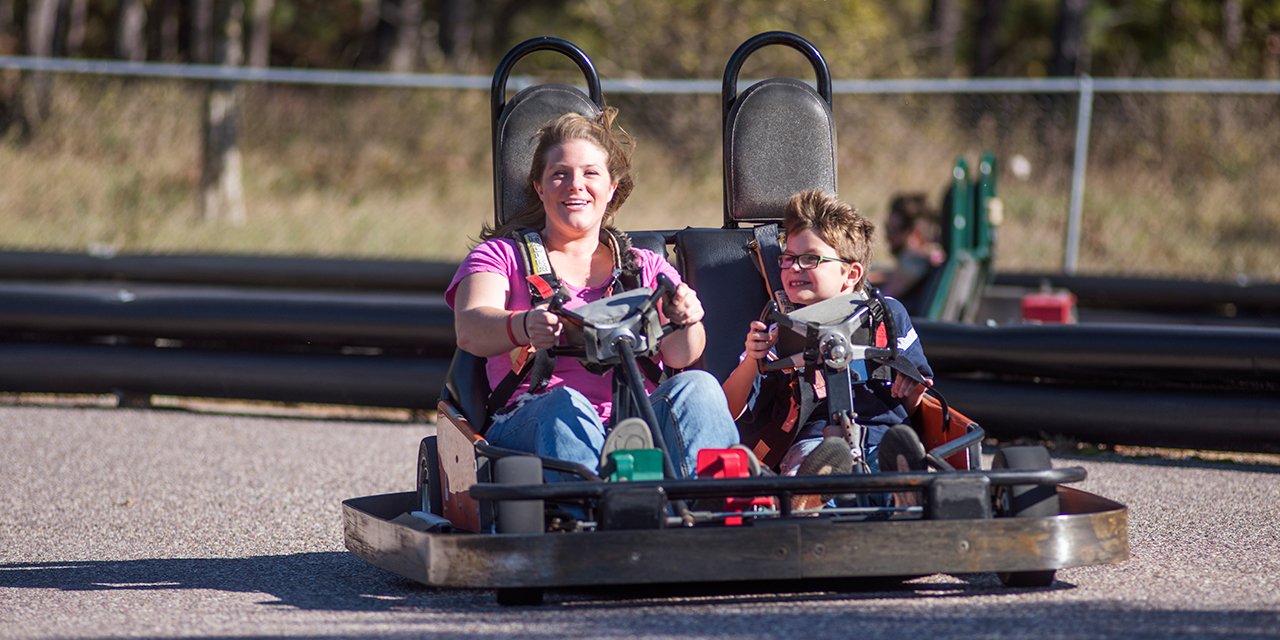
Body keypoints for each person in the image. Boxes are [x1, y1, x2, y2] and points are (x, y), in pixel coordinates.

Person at [446, 108, 739, 481]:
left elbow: (682, 353)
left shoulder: (644, 265)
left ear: (611, 187)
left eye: (590, 173)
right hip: (536, 419)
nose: (575, 185)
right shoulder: (501, 256)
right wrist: (523, 325)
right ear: (539, 187)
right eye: (559, 175)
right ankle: (589, 516)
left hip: (637, 422)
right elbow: (469, 328)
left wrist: (687, 319)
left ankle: (710, 514)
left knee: (700, 386)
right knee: (564, 404)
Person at [721, 190, 934, 488]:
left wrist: (910, 385)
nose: (794, 267)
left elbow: (914, 403)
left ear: (850, 274)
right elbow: (730, 409)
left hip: (884, 436)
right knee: (815, 470)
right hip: (813, 442)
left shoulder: (887, 316)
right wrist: (752, 360)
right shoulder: (776, 330)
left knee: (904, 462)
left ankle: (904, 494)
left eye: (810, 259)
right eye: (788, 259)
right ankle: (814, 498)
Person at [873, 193, 946, 310]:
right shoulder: (927, 257)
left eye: (892, 230)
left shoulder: (915, 260)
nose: (888, 237)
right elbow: (890, 276)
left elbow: (885, 297)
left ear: (915, 233)